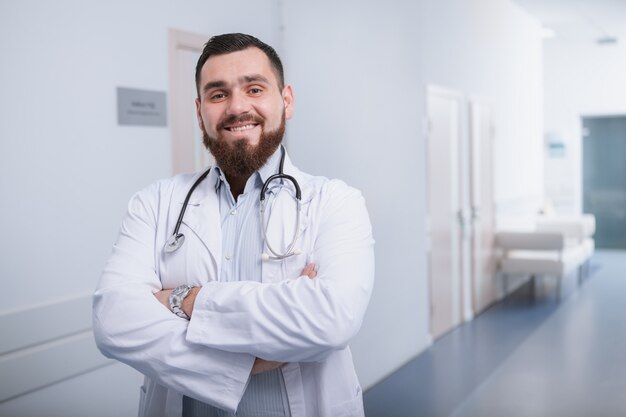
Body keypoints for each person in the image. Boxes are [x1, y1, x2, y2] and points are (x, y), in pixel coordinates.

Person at [93, 33, 375, 417]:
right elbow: (114, 321)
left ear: (286, 100)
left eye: (254, 88)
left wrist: (183, 300)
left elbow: (332, 318)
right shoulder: (155, 203)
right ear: (199, 111)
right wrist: (244, 365)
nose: (237, 107)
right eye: (218, 94)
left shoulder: (336, 201)